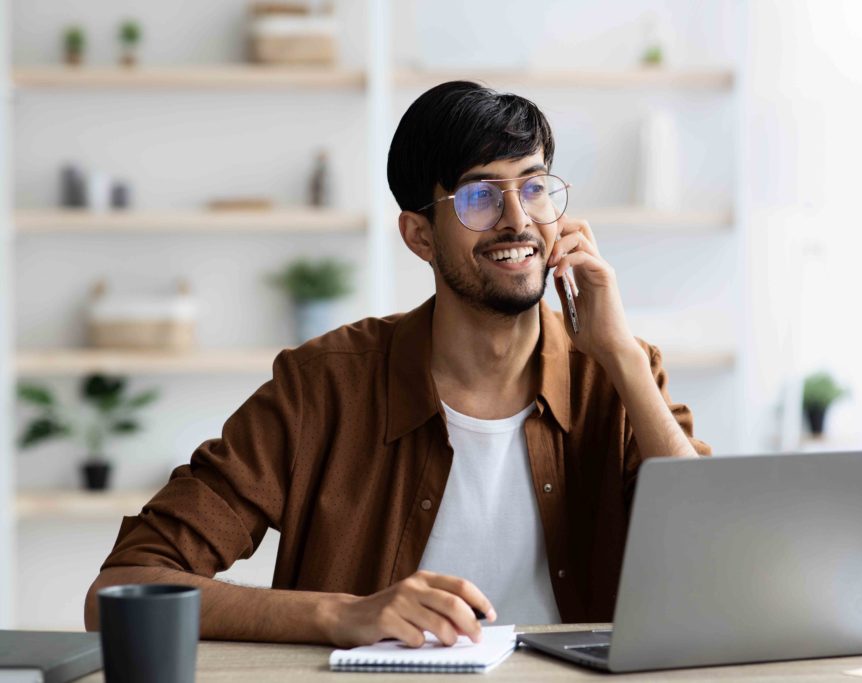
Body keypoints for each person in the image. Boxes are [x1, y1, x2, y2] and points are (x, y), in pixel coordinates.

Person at [83, 81, 711, 649]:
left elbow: (718, 563)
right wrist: (343, 615)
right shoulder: (321, 385)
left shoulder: (618, 371)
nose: (519, 219)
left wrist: (622, 357)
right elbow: (119, 591)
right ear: (419, 236)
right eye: (479, 196)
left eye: (534, 186)